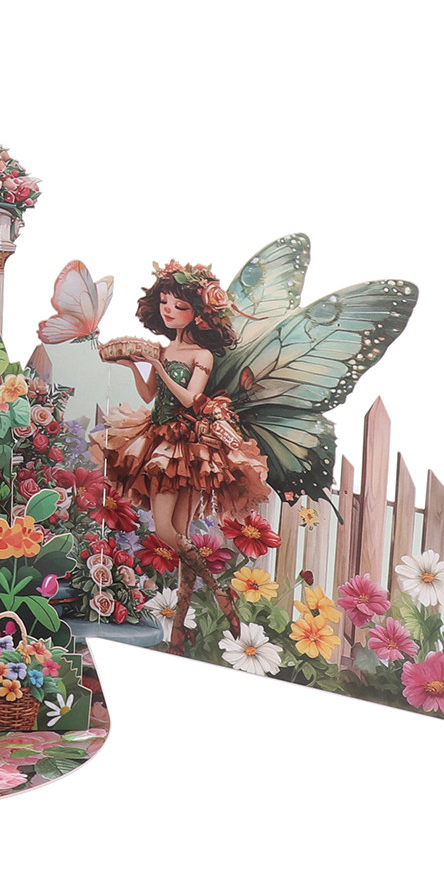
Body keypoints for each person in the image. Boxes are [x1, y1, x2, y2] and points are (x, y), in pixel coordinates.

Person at [94, 261, 270, 645]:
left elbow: (191, 399)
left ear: (199, 312)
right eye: (164, 302)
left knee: (167, 531)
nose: (168, 310)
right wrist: (135, 368)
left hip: (183, 447)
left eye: (179, 305)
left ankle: (216, 591)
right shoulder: (165, 347)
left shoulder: (201, 355)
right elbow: (149, 395)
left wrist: (159, 365)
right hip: (157, 438)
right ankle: (183, 627)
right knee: (179, 534)